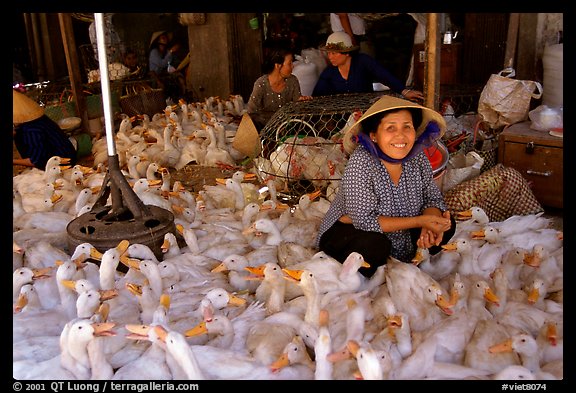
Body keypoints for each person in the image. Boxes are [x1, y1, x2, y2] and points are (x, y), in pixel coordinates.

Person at [316, 95, 456, 277]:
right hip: (353, 231)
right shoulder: (362, 161)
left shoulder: (418, 157)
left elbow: (432, 197)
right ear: (374, 135)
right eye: (391, 128)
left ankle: (410, 251)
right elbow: (364, 221)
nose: (401, 135)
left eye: (407, 127)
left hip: (401, 228)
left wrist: (430, 223)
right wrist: (420, 221)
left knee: (447, 224)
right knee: (374, 247)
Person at [312, 32, 424, 101]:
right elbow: (317, 97)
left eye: (334, 53)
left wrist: (404, 91)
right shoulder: (329, 73)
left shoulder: (363, 61)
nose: (330, 57)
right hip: (342, 119)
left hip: (365, 112)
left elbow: (384, 75)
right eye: (329, 53)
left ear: (346, 53)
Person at [246, 43, 312, 130]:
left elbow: (296, 108)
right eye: (289, 63)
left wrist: (302, 102)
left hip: (287, 127)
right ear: (277, 66)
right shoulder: (261, 84)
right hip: (265, 130)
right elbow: (251, 113)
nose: (292, 66)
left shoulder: (292, 81)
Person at [13, 89, 78, 170]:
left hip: (63, 162)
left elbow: (36, 161)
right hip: (53, 156)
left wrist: (14, 161)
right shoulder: (30, 121)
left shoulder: (32, 130)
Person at [148, 31, 186, 100]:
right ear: (158, 41)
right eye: (163, 38)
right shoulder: (154, 52)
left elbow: (171, 63)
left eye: (166, 38)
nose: (166, 39)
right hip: (155, 78)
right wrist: (171, 51)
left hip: (164, 76)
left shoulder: (165, 51)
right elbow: (162, 64)